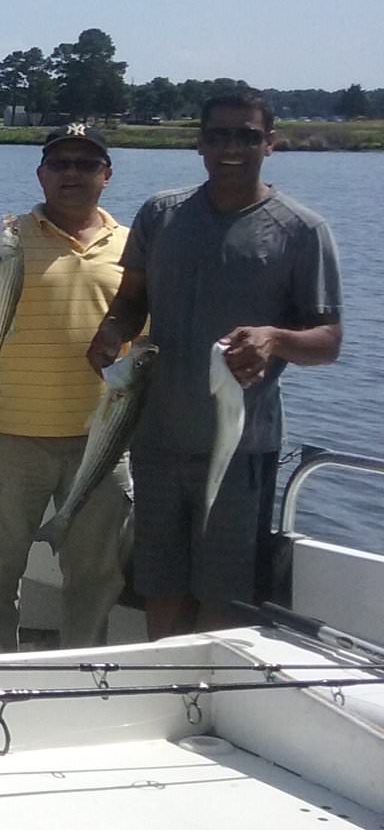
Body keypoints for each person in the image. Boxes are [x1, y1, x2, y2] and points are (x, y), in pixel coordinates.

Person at [89, 93, 341, 639]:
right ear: (199, 142)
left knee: (223, 592)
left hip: (241, 450)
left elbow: (328, 341)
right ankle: (167, 690)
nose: (233, 147)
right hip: (156, 438)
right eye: (219, 135)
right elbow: (131, 301)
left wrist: (275, 338)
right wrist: (111, 333)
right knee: (160, 583)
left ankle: (208, 698)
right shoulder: (161, 214)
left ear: (270, 143)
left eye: (248, 136)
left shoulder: (302, 230)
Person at [0, 124, 131, 652]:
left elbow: (148, 340)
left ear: (106, 174)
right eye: (60, 164)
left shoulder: (133, 246)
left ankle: (79, 678)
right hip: (13, 437)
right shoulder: (8, 237)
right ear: (41, 174)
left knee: (94, 581)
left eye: (86, 164)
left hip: (101, 441)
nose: (72, 174)